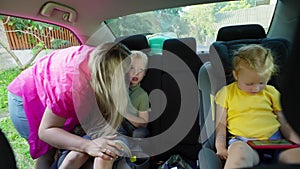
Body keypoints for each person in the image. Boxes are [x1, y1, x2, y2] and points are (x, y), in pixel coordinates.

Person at [7, 42, 132, 169]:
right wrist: (87, 145)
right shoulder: (72, 88)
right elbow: (46, 131)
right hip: (27, 98)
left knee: (63, 146)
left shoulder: (105, 56)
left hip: (55, 90)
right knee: (47, 152)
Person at [57, 50, 150, 169]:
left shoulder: (141, 95)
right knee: (77, 154)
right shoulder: (111, 86)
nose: (136, 72)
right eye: (131, 68)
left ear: (145, 73)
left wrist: (123, 111)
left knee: (105, 154)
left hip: (121, 134)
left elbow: (143, 123)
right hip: (100, 130)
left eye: (141, 70)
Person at [214, 44, 300, 169]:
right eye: (249, 83)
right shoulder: (226, 93)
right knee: (239, 155)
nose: (256, 88)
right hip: (244, 142)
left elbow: (284, 122)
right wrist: (220, 147)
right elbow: (220, 124)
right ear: (236, 75)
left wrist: (296, 140)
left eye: (262, 83)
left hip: (275, 142)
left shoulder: (271, 92)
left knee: (295, 156)